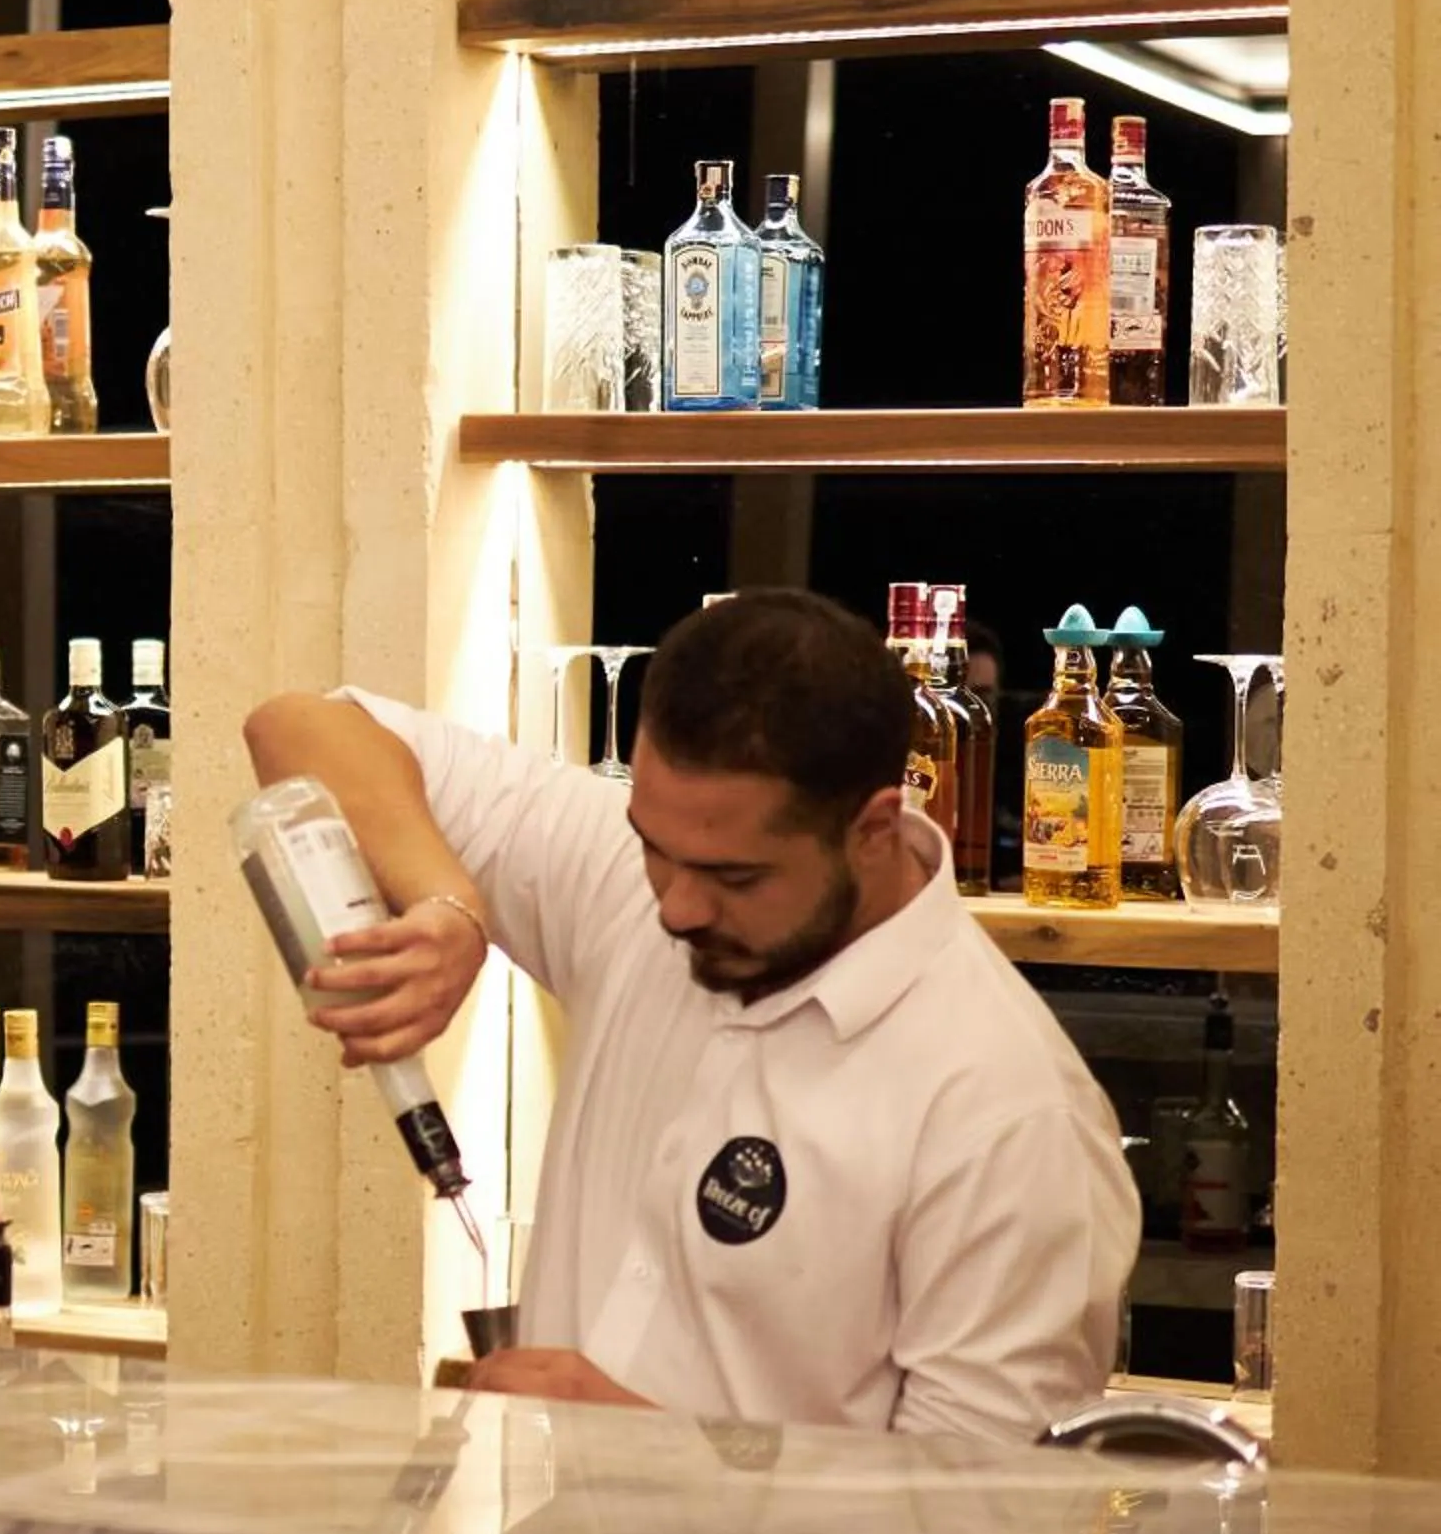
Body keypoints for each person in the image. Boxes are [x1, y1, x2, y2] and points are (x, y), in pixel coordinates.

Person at [244, 589, 1134, 1442]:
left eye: (736, 878)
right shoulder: (646, 878)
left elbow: (976, 1529)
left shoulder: (1008, 1115)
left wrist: (661, 1448)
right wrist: (446, 905)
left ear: (873, 826)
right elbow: (300, 726)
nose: (676, 909)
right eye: (652, 847)